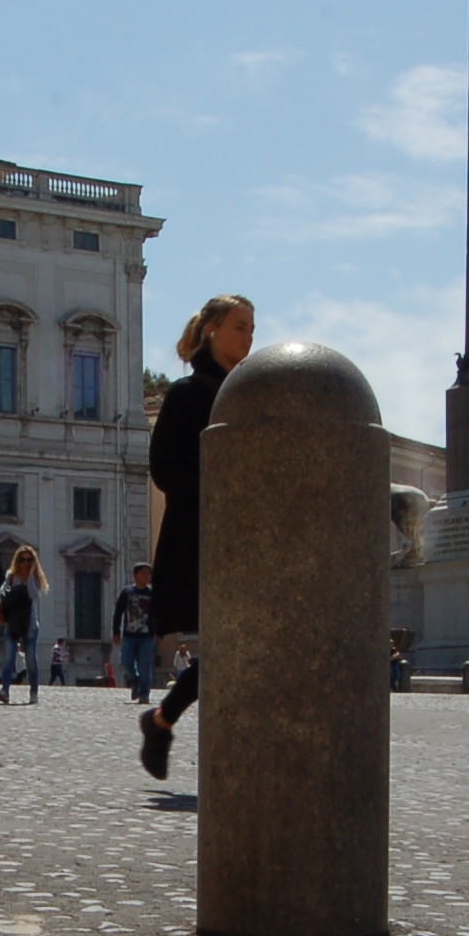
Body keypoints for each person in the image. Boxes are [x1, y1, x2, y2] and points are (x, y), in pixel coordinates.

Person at [139, 293, 253, 780]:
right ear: (212, 331)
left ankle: (163, 721)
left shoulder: (250, 395)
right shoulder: (187, 394)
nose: (249, 336)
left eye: (251, 327)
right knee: (234, 650)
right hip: (201, 541)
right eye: (239, 326)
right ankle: (169, 725)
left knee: (242, 650)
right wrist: (219, 496)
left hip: (246, 540)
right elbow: (164, 468)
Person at [0, 544, 48, 704]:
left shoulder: (35, 577)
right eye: (22, 559)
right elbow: (2, 592)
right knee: (9, 657)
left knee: (30, 658)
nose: (25, 563)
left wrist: (30, 576)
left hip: (29, 623)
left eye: (29, 560)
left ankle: (33, 691)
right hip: (13, 621)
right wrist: (10, 590)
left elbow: (32, 594)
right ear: (17, 560)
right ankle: (5, 690)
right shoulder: (11, 575)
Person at [113, 562, 159, 702]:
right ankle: (135, 681)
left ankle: (144, 693)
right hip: (129, 635)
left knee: (144, 664)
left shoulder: (153, 593)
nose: (146, 576)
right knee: (126, 661)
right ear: (135, 574)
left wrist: (161, 633)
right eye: (143, 573)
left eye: (148, 573)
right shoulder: (127, 592)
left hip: (147, 636)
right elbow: (118, 612)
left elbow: (160, 614)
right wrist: (116, 631)